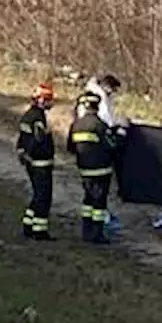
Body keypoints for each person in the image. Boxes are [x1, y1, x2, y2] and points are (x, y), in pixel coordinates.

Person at [67, 91, 120, 244]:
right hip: (101, 170)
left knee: (88, 200)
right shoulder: (99, 125)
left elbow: (70, 148)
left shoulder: (76, 125)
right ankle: (97, 234)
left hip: (85, 170)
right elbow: (112, 145)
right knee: (99, 203)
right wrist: (121, 132)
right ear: (97, 106)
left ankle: (86, 231)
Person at [77, 73, 126, 231]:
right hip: (100, 164)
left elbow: (71, 145)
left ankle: (87, 227)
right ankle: (99, 227)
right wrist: (120, 131)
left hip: (84, 163)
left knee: (89, 196)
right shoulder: (100, 108)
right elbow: (109, 138)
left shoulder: (79, 121)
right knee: (99, 198)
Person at [15, 82, 57, 240]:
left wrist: (23, 153)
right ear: (40, 100)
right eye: (48, 99)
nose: (50, 103)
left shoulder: (27, 115)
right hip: (40, 163)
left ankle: (28, 224)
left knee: (37, 194)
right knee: (43, 197)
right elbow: (38, 138)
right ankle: (40, 231)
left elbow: (23, 139)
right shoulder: (38, 117)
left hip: (31, 162)